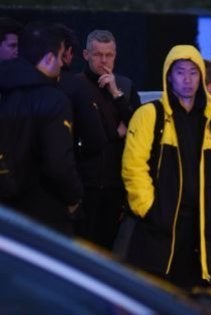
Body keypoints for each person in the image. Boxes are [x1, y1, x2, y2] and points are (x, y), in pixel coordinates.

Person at [122, 45, 211, 290]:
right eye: (180, 72)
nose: (187, 79)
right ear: (168, 76)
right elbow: (133, 168)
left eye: (193, 73)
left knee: (192, 297)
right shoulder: (149, 116)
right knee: (156, 295)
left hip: (201, 226)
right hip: (159, 227)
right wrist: (150, 210)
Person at [0, 21, 82, 235]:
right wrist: (74, 196)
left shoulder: (6, 93)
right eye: (61, 55)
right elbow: (58, 164)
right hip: (45, 213)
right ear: (49, 58)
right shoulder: (55, 101)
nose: (63, 64)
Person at [73, 29, 141, 249]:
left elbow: (138, 128)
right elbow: (83, 135)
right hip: (85, 186)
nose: (103, 60)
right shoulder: (74, 86)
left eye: (108, 55)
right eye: (97, 54)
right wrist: (115, 133)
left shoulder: (126, 86)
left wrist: (115, 93)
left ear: (116, 55)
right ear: (85, 55)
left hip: (116, 186)